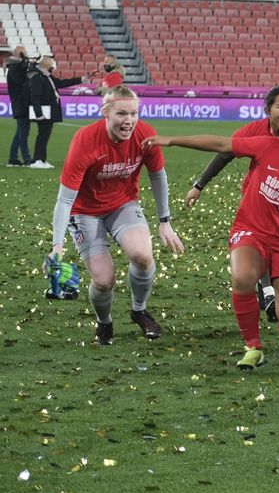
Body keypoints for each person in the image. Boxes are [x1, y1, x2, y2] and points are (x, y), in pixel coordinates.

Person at [146, 112, 279, 368]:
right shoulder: (269, 146)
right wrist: (172, 140)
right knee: (243, 277)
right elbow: (222, 145)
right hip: (252, 230)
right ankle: (253, 348)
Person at [49, 86, 185, 345]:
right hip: (84, 212)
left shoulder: (145, 134)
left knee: (143, 256)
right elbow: (65, 199)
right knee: (103, 281)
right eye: (122, 113)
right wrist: (57, 245)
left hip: (122, 205)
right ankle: (104, 322)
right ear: (105, 113)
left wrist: (165, 221)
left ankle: (139, 310)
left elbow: (158, 176)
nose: (129, 120)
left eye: (134, 113)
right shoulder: (85, 140)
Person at [184, 86, 279, 322]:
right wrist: (199, 185)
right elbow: (224, 153)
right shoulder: (255, 130)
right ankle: (268, 293)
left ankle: (272, 290)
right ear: (269, 110)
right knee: (261, 240)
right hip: (258, 195)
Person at [26, 55, 86, 168]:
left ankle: (42, 159)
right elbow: (35, 96)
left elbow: (61, 83)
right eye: (51, 63)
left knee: (45, 135)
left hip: (49, 111)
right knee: (42, 135)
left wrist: (81, 79)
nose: (53, 65)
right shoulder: (37, 77)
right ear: (46, 65)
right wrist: (39, 113)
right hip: (44, 112)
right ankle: (37, 159)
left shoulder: (47, 76)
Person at [7, 45, 33, 167]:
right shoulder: (15, 68)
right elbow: (22, 82)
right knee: (23, 132)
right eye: (24, 53)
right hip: (21, 104)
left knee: (20, 132)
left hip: (21, 103)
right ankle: (27, 159)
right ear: (20, 54)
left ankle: (13, 158)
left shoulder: (15, 68)